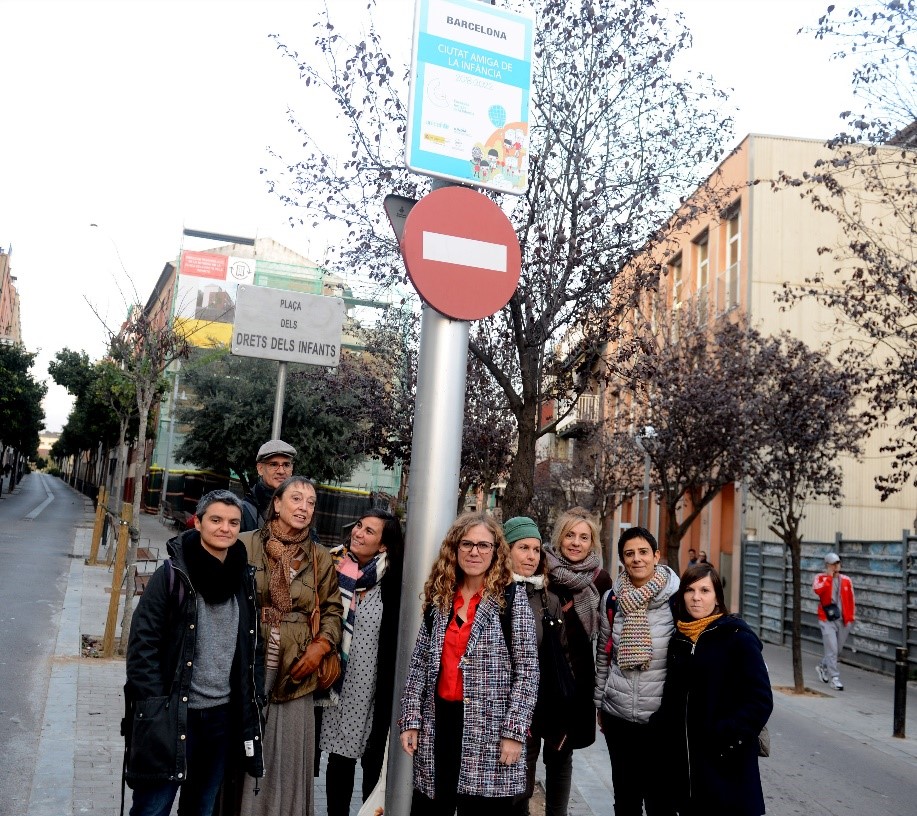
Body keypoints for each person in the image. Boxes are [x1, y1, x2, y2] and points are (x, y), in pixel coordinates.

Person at [124, 490, 265, 816]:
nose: (225, 528)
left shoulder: (244, 578)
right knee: (153, 807)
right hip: (173, 714)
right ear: (198, 522)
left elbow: (252, 647)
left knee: (201, 808)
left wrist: (253, 698)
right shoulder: (172, 575)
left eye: (233, 522)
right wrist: (157, 704)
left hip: (221, 720)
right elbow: (142, 645)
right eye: (216, 520)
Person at [399, 512, 538, 816]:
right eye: (467, 544)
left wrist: (514, 732)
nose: (475, 552)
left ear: (496, 551)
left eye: (483, 545)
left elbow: (528, 672)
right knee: (431, 807)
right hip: (439, 723)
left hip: (490, 728)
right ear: (455, 548)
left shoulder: (512, 599)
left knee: (483, 810)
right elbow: (419, 664)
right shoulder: (441, 597)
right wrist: (411, 719)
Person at [240, 476, 343, 816]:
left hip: (298, 667)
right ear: (277, 503)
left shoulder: (319, 556)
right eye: (296, 499)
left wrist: (321, 647)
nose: (304, 507)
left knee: (288, 755)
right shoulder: (246, 544)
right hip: (251, 660)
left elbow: (333, 610)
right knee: (246, 744)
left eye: (311, 502)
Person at [658, 563, 773, 815]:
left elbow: (761, 700)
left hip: (727, 767)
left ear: (717, 597)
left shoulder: (737, 637)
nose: (696, 597)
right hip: (688, 772)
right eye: (689, 590)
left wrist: (727, 737)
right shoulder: (679, 640)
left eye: (704, 590)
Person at [320, 509, 405, 816]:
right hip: (339, 687)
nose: (358, 533)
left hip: (377, 692)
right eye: (359, 526)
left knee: (374, 764)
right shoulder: (333, 566)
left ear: (383, 544)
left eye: (369, 531)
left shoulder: (397, 580)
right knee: (338, 762)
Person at [594, 526, 679, 816]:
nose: (637, 559)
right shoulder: (612, 600)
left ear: (656, 555)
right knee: (626, 801)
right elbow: (604, 655)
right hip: (618, 718)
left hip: (660, 721)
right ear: (622, 560)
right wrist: (600, 704)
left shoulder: (675, 599)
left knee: (660, 804)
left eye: (643, 552)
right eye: (629, 554)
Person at [503, 516, 576, 816]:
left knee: (524, 783)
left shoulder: (548, 599)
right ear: (506, 550)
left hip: (536, 706)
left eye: (536, 549)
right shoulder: (493, 594)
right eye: (523, 548)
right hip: (496, 704)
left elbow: (562, 651)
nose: (531, 556)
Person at [543, 507, 612, 756]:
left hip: (578, 677)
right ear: (559, 537)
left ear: (592, 543)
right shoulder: (542, 571)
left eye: (584, 537)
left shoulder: (601, 580)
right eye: (570, 535)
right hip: (541, 673)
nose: (576, 543)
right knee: (528, 751)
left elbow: (606, 635)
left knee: (562, 754)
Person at [813, 552, 855, 690]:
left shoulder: (846, 580)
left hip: (843, 620)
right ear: (827, 565)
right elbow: (818, 590)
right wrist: (829, 578)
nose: (836, 566)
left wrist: (851, 618)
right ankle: (835, 678)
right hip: (827, 619)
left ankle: (823, 666)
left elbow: (851, 599)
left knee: (836, 650)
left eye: (838, 563)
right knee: (832, 648)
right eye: (833, 564)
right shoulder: (820, 578)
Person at [241, 439, 297, 532]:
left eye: (286, 465)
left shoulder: (300, 507)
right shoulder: (244, 511)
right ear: (260, 469)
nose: (281, 471)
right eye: (274, 465)